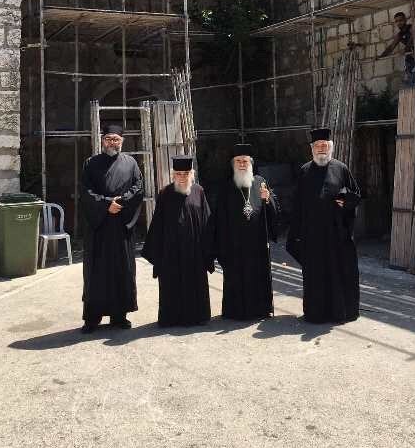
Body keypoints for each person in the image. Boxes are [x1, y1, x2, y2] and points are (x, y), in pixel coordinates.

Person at [286, 128, 361, 324]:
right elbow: (297, 206)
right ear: (312, 148)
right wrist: (295, 234)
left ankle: (341, 312)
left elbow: (355, 195)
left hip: (337, 234)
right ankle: (316, 313)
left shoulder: (341, 168)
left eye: (325, 145)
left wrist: (346, 202)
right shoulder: (304, 171)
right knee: (315, 276)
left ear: (330, 147)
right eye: (318, 145)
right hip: (313, 236)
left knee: (339, 273)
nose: (321, 149)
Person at [80, 124, 144, 333]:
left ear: (122, 141)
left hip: (121, 227)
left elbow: (138, 187)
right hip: (99, 228)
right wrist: (107, 204)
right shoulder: (91, 163)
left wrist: (121, 203)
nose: (112, 142)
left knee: (121, 271)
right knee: (95, 273)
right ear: (102, 140)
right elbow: (85, 191)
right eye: (108, 139)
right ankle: (92, 318)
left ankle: (119, 316)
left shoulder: (131, 163)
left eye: (116, 139)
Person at [142, 156, 214, 327]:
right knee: (171, 284)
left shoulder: (199, 191)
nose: (182, 177)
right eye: (179, 173)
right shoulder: (165, 194)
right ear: (173, 175)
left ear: (192, 174)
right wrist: (157, 253)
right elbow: (157, 225)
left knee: (195, 285)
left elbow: (207, 221)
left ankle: (198, 316)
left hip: (195, 252)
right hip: (171, 252)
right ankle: (172, 318)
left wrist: (209, 249)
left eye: (186, 173)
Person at [214, 144, 280, 320]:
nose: (242, 164)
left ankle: (261, 309)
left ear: (250, 163)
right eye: (238, 161)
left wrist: (268, 201)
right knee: (236, 277)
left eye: (245, 161)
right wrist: (222, 244)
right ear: (233, 164)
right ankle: (236, 311)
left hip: (257, 243)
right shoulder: (226, 187)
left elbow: (274, 209)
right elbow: (219, 218)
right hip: (234, 244)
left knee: (258, 276)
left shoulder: (260, 181)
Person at [379, 11, 415, 85]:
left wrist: (405, 50)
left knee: (414, 81)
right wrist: (380, 56)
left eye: (400, 20)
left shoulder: (413, 28)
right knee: (410, 81)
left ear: (405, 20)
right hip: (410, 60)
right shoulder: (400, 34)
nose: (399, 23)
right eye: (396, 21)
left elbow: (412, 40)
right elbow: (391, 47)